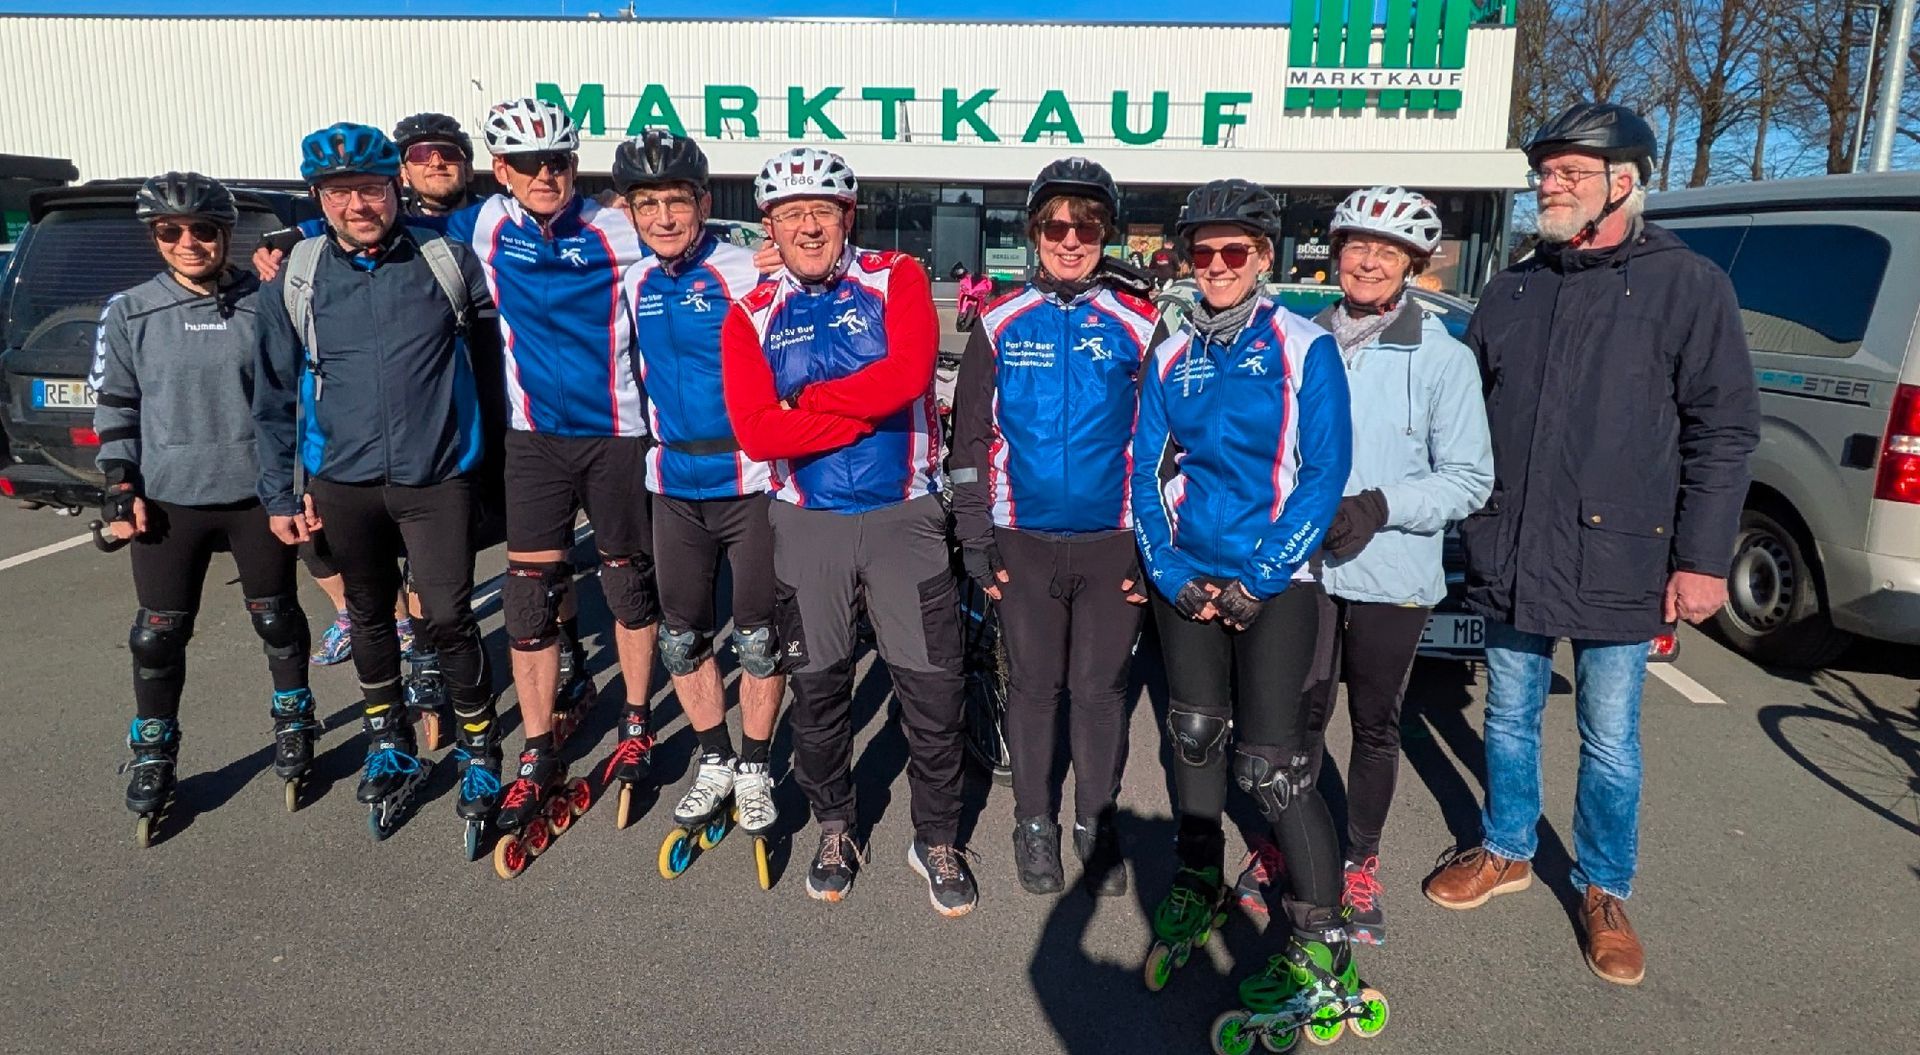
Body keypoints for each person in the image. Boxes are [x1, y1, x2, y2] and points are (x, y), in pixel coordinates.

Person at [1421, 102, 1758, 987]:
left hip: (1623, 555)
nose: (1550, 186)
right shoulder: (1516, 286)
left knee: (1610, 735)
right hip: (1513, 543)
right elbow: (1462, 406)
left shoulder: (1688, 287)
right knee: (1505, 712)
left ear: (1625, 182)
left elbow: (1721, 432)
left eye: (1570, 172)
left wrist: (1703, 558)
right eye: (1546, 172)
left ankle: (1604, 886)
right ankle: (1506, 847)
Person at [1131, 180, 1368, 1029]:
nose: (1219, 266)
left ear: (1265, 257)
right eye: (1205, 253)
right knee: (1191, 738)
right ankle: (1197, 879)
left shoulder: (1304, 346)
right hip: (1190, 580)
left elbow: (1323, 475)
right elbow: (1147, 474)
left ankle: (1319, 939)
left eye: (1237, 252)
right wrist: (1170, 572)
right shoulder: (1170, 352)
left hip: (1276, 585)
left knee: (1271, 768)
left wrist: (1260, 576)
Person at [721, 147, 976, 916]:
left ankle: (936, 836)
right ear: (769, 224)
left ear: (847, 218)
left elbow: (909, 376)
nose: (808, 226)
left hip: (905, 516)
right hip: (809, 524)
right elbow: (757, 433)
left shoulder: (895, 275)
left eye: (822, 213)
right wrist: (828, 416)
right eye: (792, 213)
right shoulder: (749, 313)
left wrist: (805, 408)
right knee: (820, 692)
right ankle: (838, 824)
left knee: (932, 691)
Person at [252, 123, 499, 838]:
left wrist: (489, 469)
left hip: (436, 477)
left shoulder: (446, 259)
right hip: (343, 479)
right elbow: (272, 395)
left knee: (448, 614)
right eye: (339, 192)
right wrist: (278, 492)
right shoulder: (296, 276)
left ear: (395, 186)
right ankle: (387, 739)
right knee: (368, 613)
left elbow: (487, 369)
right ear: (319, 200)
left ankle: (481, 743)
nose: (358, 204)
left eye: (370, 187)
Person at [428, 98, 658, 840]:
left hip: (617, 432)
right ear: (501, 170)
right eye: (528, 163)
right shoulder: (484, 223)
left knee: (626, 580)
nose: (545, 174)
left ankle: (635, 717)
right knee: (528, 599)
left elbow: (698, 247)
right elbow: (398, 230)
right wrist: (285, 241)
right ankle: (536, 748)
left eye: (558, 159)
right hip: (534, 441)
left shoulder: (618, 227)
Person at [947, 157, 1155, 897]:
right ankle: (1033, 823)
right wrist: (975, 535)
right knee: (1034, 689)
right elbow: (968, 442)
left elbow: (1166, 444)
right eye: (1056, 226)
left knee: (1100, 693)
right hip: (1022, 540)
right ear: (1035, 233)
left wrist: (1151, 545)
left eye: (1087, 226)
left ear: (1106, 234)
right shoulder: (1000, 322)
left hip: (1111, 542)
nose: (1071, 239)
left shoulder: (1140, 321)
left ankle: (1094, 821)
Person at [92, 172, 318, 842]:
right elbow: (116, 404)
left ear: (226, 235)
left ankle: (294, 715)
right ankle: (156, 746)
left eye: (203, 231)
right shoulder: (131, 310)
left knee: (276, 619)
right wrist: (119, 482)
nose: (188, 243)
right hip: (170, 497)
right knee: (157, 633)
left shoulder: (264, 303)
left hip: (255, 492)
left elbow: (293, 399)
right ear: (155, 237)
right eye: (170, 231)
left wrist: (298, 482)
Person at [1299, 185, 1493, 945]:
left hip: (1393, 571)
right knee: (1298, 721)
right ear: (1336, 255)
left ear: (1414, 264)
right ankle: (1296, 845)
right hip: (1307, 570)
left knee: (1375, 727)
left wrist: (1381, 505)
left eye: (1388, 251)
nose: (1369, 261)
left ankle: (1358, 860)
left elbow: (1470, 477)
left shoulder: (1442, 358)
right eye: (1357, 246)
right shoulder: (1301, 337)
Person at [611, 130, 783, 843]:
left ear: (704, 203)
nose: (663, 217)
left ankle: (755, 765)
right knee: (680, 640)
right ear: (629, 210)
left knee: (758, 640)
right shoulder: (634, 279)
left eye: (676, 201)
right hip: (674, 482)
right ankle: (713, 759)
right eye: (646, 203)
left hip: (748, 479)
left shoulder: (747, 269)